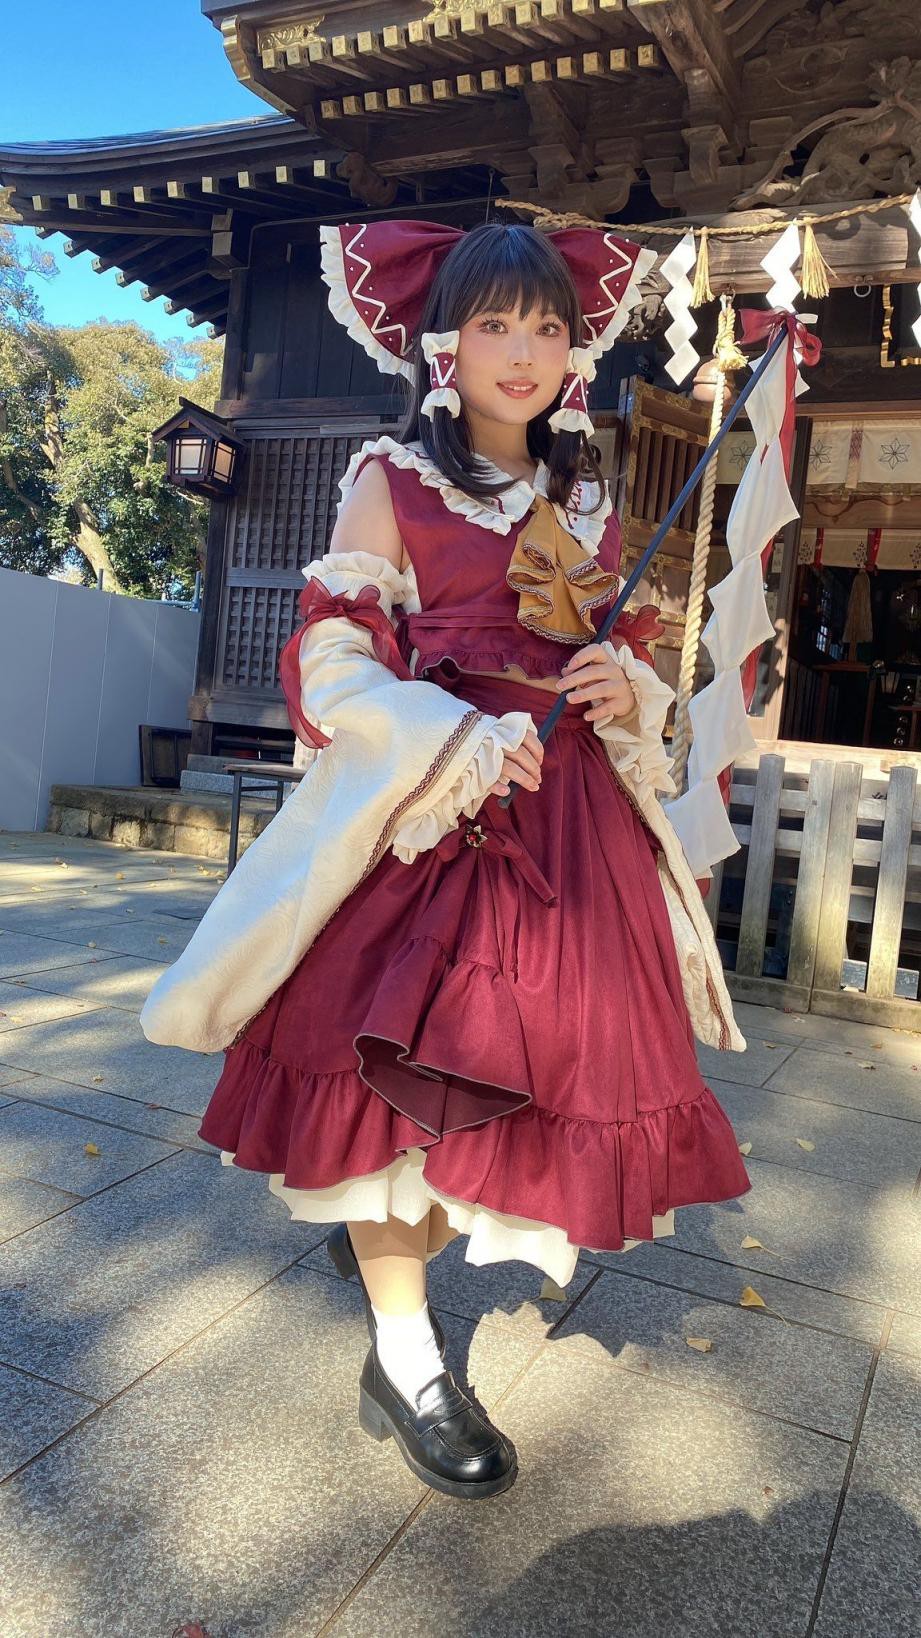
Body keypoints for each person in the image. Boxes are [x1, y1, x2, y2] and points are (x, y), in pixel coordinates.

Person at [141, 216, 751, 1503]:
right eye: (494, 324)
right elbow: (332, 662)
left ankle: (397, 1280)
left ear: (573, 350)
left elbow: (620, 656)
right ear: (446, 344)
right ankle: (408, 1356)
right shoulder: (391, 481)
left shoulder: (583, 501)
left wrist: (621, 685)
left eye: (546, 327)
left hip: (566, 828)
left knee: (513, 1080)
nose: (522, 351)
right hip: (429, 813)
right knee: (384, 1087)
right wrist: (455, 736)